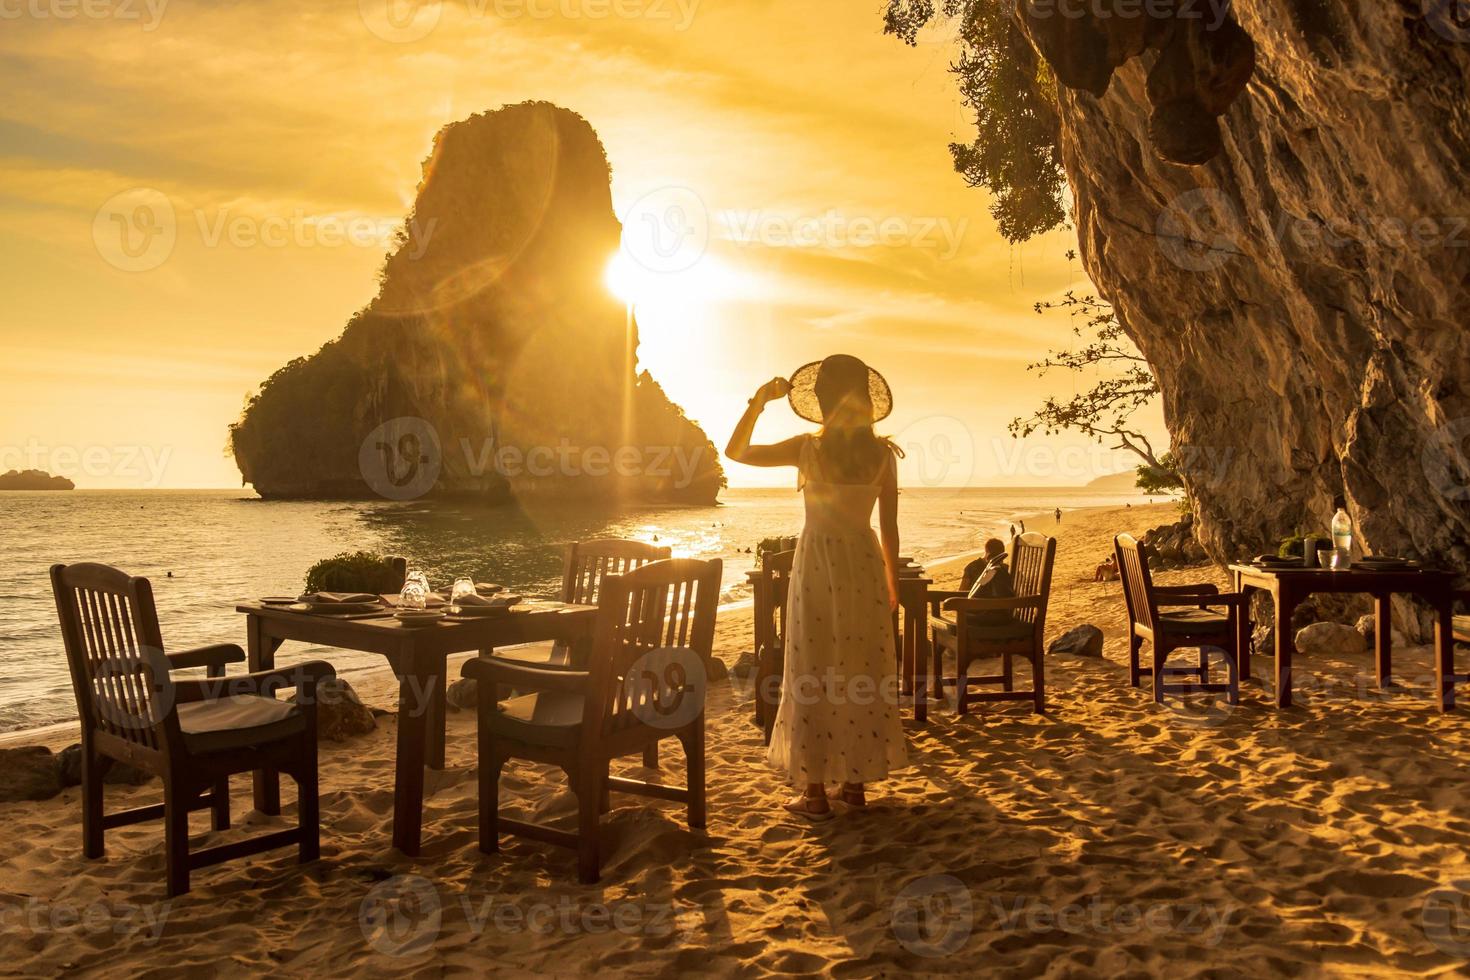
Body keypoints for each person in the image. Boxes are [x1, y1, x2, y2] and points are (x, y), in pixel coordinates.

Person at [725, 354, 908, 820]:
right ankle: (854, 787)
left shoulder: (807, 448)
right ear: (866, 402)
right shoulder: (882, 455)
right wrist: (892, 584)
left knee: (811, 668)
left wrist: (758, 402)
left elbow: (736, 452)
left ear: (822, 401)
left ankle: (814, 795)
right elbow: (890, 530)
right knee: (859, 670)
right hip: (864, 566)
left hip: (817, 567)